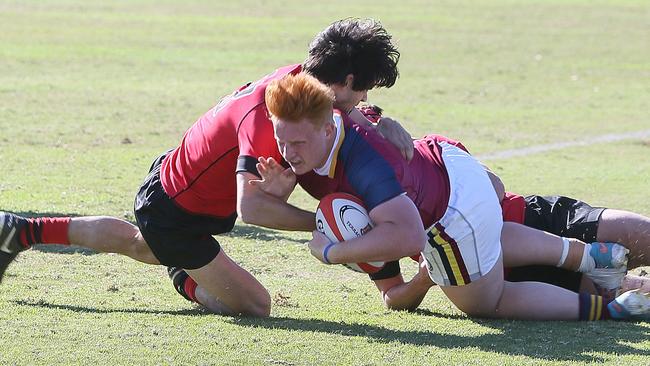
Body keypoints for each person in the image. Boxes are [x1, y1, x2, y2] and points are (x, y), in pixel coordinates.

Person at [0, 18, 413, 317]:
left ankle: (21, 230)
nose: (361, 99)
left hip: (173, 185)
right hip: (176, 211)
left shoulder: (301, 83)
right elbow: (252, 208)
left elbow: (337, 110)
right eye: (362, 90)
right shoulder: (268, 116)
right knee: (254, 305)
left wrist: (379, 118)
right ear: (346, 79)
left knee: (138, 244)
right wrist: (327, 223)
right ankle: (185, 275)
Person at [258, 72, 649, 320]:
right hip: (454, 168)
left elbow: (409, 237)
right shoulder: (343, 119)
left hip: (451, 213)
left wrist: (330, 252)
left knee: (489, 303)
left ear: (328, 130)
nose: (287, 152)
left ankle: (608, 310)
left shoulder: (363, 166)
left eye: (297, 142)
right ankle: (587, 255)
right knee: (488, 236)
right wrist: (285, 191)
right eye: (281, 139)